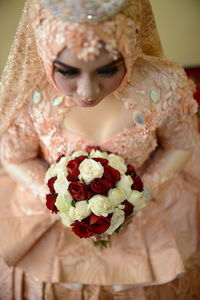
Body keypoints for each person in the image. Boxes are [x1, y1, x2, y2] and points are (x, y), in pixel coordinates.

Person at [0, 0, 200, 299]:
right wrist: (57, 199)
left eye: (108, 70)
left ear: (129, 48)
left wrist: (142, 192)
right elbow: (15, 157)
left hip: (150, 211)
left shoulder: (162, 84)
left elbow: (181, 145)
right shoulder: (31, 91)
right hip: (49, 218)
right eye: (68, 72)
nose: (88, 91)